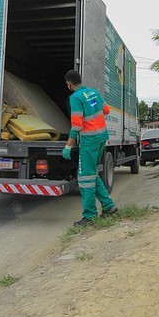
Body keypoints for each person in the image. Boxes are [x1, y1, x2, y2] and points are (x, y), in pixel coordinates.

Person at [61, 70, 117, 226]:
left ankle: (90, 216)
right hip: (101, 138)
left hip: (89, 141)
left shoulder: (75, 98)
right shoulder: (93, 92)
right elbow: (106, 110)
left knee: (84, 178)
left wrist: (68, 145)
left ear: (69, 84)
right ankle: (108, 206)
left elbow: (77, 125)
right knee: (92, 173)